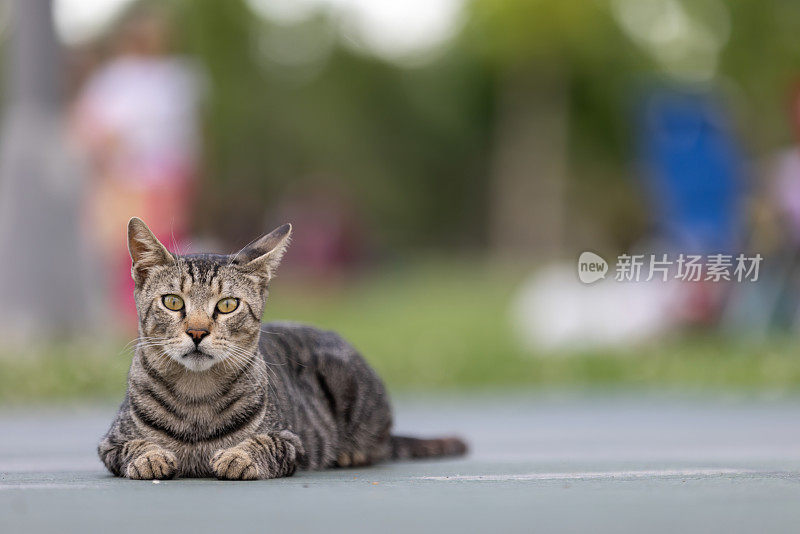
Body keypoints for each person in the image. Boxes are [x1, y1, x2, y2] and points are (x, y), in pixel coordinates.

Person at [72, 4, 204, 329]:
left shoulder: (178, 77)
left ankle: (167, 316)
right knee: (132, 253)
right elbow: (90, 130)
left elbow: (189, 135)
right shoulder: (114, 80)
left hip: (167, 178)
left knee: (169, 249)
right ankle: (130, 319)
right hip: (128, 180)